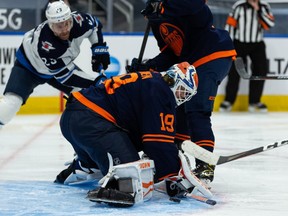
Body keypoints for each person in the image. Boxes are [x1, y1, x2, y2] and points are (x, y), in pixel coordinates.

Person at [54, 62, 209, 206]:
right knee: (131, 174)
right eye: (183, 91)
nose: (182, 97)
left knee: (127, 143)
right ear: (175, 81)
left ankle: (86, 164)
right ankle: (115, 185)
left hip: (73, 119)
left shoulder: (153, 81)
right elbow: (157, 143)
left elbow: (141, 134)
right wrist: (174, 175)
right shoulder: (162, 93)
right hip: (91, 121)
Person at [127, 0, 237, 185]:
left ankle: (205, 167)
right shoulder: (155, 18)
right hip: (191, 63)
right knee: (175, 106)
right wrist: (150, 65)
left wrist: (165, 7)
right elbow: (172, 53)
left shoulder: (175, 4)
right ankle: (172, 158)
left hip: (212, 55)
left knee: (197, 110)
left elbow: (199, 7)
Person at [0, 0, 110, 128]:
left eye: (67, 23)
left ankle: (88, 130)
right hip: (29, 68)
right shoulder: (47, 45)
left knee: (84, 95)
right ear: (50, 25)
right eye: (59, 26)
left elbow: (95, 25)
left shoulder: (79, 21)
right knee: (11, 104)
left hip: (58, 67)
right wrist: (96, 81)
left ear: (71, 18)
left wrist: (98, 48)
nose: (64, 30)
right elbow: (67, 76)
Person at [219, 0, 275, 113]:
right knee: (234, 72)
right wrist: (229, 43)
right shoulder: (239, 5)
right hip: (240, 44)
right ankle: (229, 101)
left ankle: (254, 101)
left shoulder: (264, 5)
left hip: (257, 44)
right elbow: (230, 25)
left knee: (260, 71)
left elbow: (269, 24)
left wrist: (258, 10)